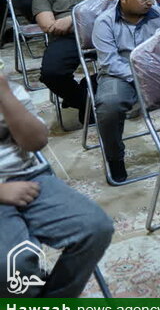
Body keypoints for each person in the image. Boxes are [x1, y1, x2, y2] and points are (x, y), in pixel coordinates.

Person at [0, 73, 114, 297]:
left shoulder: (9, 89)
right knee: (13, 265)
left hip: (26, 176)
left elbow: (36, 142)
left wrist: (5, 94)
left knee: (96, 228)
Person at [92, 0, 160, 183]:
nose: (151, 2)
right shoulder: (105, 22)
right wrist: (140, 76)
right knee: (109, 106)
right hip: (119, 74)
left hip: (155, 72)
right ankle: (115, 158)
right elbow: (109, 63)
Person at [33, 0, 106, 122]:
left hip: (99, 36)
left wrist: (71, 19)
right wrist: (84, 15)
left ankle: (91, 85)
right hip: (67, 39)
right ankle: (84, 101)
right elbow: (49, 26)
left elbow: (105, 16)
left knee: (127, 62)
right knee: (51, 74)